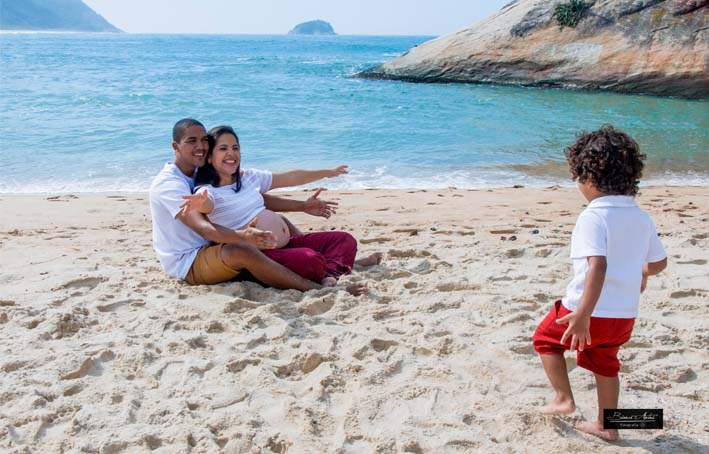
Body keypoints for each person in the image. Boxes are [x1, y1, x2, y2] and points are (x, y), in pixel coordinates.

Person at [532, 125, 667, 441]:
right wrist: (641, 273)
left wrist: (582, 315)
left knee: (545, 340)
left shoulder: (593, 216)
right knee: (605, 363)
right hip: (623, 315)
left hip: (587, 309)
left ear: (588, 180)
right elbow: (660, 262)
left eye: (578, 178)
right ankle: (610, 426)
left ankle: (563, 399)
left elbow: (598, 266)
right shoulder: (640, 216)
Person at [149, 118, 368, 295]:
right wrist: (242, 234)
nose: (200, 147)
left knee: (340, 240)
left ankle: (332, 265)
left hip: (244, 243)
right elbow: (204, 221)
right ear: (176, 146)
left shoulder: (218, 173)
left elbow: (263, 194)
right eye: (191, 141)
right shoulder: (173, 184)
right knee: (301, 259)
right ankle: (320, 288)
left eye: (203, 141)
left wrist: (314, 189)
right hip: (192, 258)